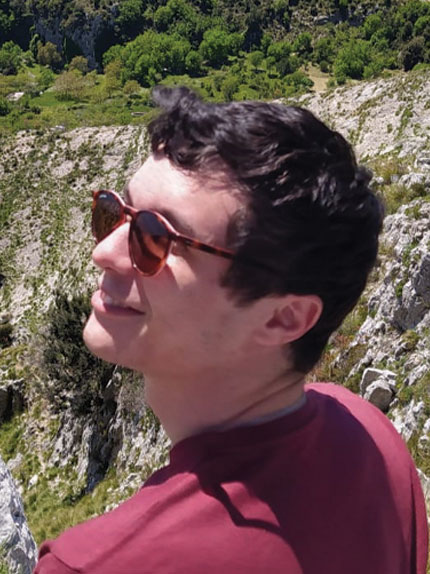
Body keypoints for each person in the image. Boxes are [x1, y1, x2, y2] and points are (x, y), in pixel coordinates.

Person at [34, 86, 428, 574]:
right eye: (115, 212)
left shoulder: (97, 564)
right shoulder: (374, 440)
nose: (104, 252)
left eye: (156, 237)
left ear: (283, 318)